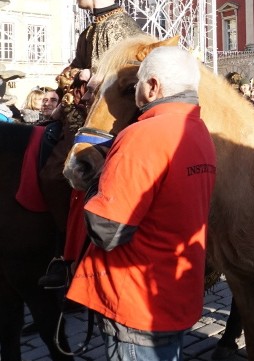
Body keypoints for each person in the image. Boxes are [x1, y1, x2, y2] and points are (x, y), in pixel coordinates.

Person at [66, 46, 216, 361]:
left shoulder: (141, 136)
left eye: (137, 83)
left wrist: (98, 182)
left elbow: (107, 230)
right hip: (175, 296)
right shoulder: (201, 132)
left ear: (152, 86)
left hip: (135, 302)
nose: (136, 89)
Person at [39, 0, 144, 289]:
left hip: (105, 120)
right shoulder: (93, 27)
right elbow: (72, 67)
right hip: (76, 112)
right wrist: (66, 86)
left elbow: (123, 76)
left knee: (55, 175)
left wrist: (87, 74)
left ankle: (65, 252)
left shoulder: (120, 26)